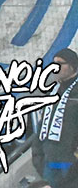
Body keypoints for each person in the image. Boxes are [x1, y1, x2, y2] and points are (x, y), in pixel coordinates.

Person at [34, 49, 78, 187]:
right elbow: (41, 126)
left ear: (72, 66)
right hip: (49, 162)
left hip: (71, 164)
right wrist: (37, 157)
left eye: (60, 63)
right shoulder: (53, 92)